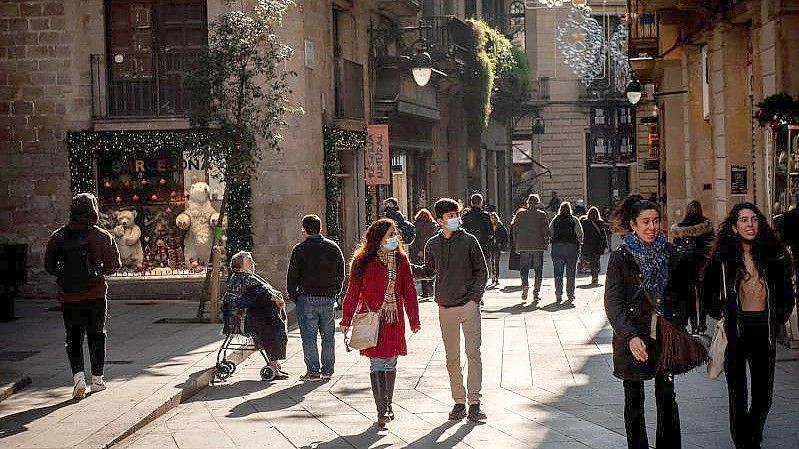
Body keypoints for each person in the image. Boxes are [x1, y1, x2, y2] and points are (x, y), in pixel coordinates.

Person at [701, 203, 795, 449]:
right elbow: (706, 290)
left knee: (764, 395)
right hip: (735, 330)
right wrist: (718, 311)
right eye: (744, 220)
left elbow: (787, 292)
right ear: (734, 226)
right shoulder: (723, 258)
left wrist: (779, 317)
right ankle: (744, 443)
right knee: (738, 395)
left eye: (754, 219)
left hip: (764, 329)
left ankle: (753, 435)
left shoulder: (775, 256)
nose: (750, 224)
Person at [604, 194, 685, 449]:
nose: (652, 227)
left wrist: (678, 325)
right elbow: (613, 302)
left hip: (664, 336)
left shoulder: (671, 253)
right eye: (645, 222)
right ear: (633, 225)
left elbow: (682, 293)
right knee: (634, 400)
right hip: (634, 337)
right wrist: (630, 336)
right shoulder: (621, 257)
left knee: (667, 397)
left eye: (656, 221)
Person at [412, 198, 488, 422]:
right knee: (451, 358)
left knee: (473, 354)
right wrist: (406, 268)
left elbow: (481, 272)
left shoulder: (469, 241)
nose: (455, 219)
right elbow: (429, 271)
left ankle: (474, 402)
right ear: (439, 221)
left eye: (457, 215)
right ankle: (458, 402)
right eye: (450, 216)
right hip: (445, 308)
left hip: (469, 306)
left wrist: (474, 298)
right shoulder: (432, 245)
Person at [340, 219, 421, 428]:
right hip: (372, 319)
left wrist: (414, 319)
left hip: (393, 320)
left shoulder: (402, 260)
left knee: (391, 361)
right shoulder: (363, 261)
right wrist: (346, 319)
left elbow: (409, 292)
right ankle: (381, 411)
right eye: (389, 235)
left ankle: (388, 405)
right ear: (378, 239)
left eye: (395, 234)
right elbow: (352, 292)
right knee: (377, 362)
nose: (394, 238)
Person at [44, 193, 121, 399]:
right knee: (97, 335)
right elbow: (115, 266)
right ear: (93, 211)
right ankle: (97, 379)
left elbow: (48, 266)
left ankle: (78, 378)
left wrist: (65, 275)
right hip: (95, 295)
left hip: (69, 297)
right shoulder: (102, 236)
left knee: (73, 337)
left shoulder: (58, 236)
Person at [287, 214, 346, 381]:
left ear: (305, 229)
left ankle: (313, 372)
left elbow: (292, 276)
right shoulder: (333, 248)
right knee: (328, 337)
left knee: (309, 338)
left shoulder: (299, 249)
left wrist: (294, 296)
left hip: (306, 299)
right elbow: (340, 274)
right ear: (320, 228)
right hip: (327, 298)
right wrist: (336, 292)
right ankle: (327, 370)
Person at [227, 251, 288, 380]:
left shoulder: (246, 276)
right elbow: (257, 295)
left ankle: (274, 362)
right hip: (246, 318)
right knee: (271, 328)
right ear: (240, 264)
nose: (253, 262)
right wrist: (275, 298)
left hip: (255, 314)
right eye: (249, 260)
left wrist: (275, 298)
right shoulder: (240, 278)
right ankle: (273, 363)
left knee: (274, 325)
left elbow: (262, 292)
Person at [671, 200, 714, 334]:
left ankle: (694, 326)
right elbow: (712, 245)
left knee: (689, 297)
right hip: (702, 265)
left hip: (685, 266)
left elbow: (675, 249)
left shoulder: (680, 228)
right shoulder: (706, 225)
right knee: (702, 296)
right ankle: (702, 323)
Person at [510, 194, 550, 300]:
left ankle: (525, 286)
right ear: (537, 203)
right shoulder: (542, 215)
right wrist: (546, 241)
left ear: (528, 202)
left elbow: (514, 228)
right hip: (538, 246)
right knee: (538, 270)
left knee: (524, 269)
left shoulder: (520, 214)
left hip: (523, 245)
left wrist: (516, 243)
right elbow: (545, 230)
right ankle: (536, 293)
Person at [549, 202, 583, 303]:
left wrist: (554, 239)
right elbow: (580, 233)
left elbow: (550, 232)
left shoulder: (555, 219)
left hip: (557, 247)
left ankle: (558, 294)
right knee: (570, 273)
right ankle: (570, 295)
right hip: (571, 247)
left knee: (558, 273)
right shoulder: (574, 219)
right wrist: (579, 243)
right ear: (570, 209)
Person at [409, 208, 437, 297]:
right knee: (433, 266)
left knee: (422, 268)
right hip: (431, 249)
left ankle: (425, 292)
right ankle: (431, 285)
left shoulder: (415, 225)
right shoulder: (433, 225)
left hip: (419, 251)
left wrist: (418, 250)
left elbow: (413, 240)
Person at [461, 193, 494, 260]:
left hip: (469, 247)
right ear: (481, 202)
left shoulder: (465, 217)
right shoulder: (485, 216)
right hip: (483, 247)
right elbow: (490, 232)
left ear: (471, 203)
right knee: (485, 267)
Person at [581, 206, 608, 286]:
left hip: (588, 245)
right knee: (596, 260)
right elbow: (603, 235)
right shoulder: (600, 222)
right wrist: (605, 245)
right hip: (597, 245)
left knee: (592, 261)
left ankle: (594, 275)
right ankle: (595, 276)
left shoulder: (585, 222)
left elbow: (583, 234)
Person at [488, 212, 508, 286]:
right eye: (491, 218)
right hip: (490, 246)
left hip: (497, 246)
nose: (493, 219)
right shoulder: (489, 226)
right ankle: (493, 277)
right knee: (491, 262)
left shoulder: (500, 226)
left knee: (496, 262)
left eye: (494, 218)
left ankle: (496, 278)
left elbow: (505, 236)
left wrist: (503, 246)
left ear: (496, 218)